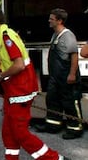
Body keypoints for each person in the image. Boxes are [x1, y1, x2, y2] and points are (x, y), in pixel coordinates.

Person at [0, 7, 72, 160]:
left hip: (20, 91)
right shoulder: (3, 35)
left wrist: (0, 75)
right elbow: (11, 63)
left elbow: (19, 65)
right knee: (8, 130)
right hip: (13, 90)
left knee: (21, 133)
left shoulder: (5, 36)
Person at [35, 8, 84, 139]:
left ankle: (75, 128)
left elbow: (74, 56)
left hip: (66, 76)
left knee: (69, 102)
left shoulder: (68, 36)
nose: (49, 20)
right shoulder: (55, 34)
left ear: (59, 21)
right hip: (55, 77)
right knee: (52, 99)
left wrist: (72, 74)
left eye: (52, 19)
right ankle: (53, 125)